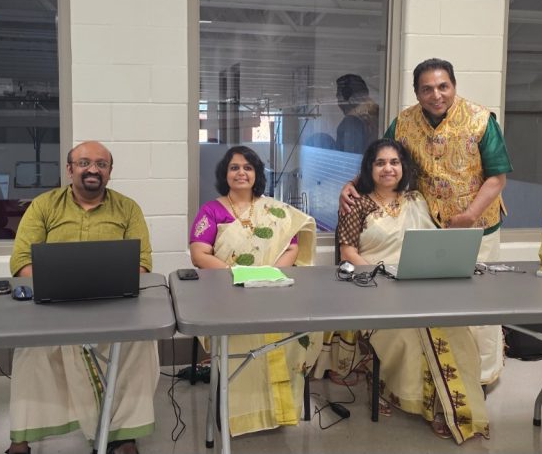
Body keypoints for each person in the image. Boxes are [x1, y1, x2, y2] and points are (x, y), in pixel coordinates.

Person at [340, 58, 513, 385]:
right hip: (430, 227)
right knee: (443, 304)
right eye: (427, 89)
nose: (436, 95)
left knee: (481, 305)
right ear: (417, 92)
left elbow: (497, 178)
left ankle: (484, 377)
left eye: (443, 86)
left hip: (478, 229)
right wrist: (351, 184)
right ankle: (447, 375)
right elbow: (382, 158)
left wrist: (470, 216)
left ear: (454, 86)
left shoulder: (481, 120)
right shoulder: (404, 122)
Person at [7, 141, 155, 454]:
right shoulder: (44, 205)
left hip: (114, 306)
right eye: (84, 162)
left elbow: (142, 263)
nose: (93, 169)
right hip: (54, 306)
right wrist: (56, 286)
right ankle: (21, 440)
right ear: (69, 169)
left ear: (109, 172)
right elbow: (21, 261)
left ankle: (123, 434)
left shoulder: (128, 208)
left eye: (101, 164)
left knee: (141, 345)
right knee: (30, 351)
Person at [336, 139, 488, 443]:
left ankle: (450, 408)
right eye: (380, 163)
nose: (388, 169)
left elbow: (436, 243)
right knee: (407, 337)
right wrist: (381, 277)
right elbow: (348, 253)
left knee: (460, 331)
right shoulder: (358, 204)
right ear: (369, 168)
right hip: (377, 288)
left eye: (394, 162)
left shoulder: (417, 199)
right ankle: (425, 405)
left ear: (403, 167)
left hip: (421, 285)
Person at [188, 146, 319, 437]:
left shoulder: (276, 211)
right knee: (240, 339)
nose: (241, 173)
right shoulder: (211, 211)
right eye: (234, 167)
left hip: (273, 290)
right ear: (225, 174)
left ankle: (282, 409)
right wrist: (239, 276)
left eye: (248, 168)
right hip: (228, 292)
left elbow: (292, 247)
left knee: (296, 331)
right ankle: (243, 415)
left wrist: (268, 277)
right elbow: (199, 254)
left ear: (257, 174)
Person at [334, 74, 380, 154]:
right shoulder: (371, 120)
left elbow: (351, 158)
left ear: (351, 99)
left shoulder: (351, 123)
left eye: (339, 98)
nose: (338, 103)